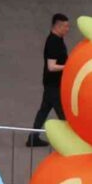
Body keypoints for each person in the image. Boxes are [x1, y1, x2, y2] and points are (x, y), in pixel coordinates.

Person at [31, 14, 71, 145]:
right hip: (54, 85)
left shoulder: (58, 39)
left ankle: (33, 138)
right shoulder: (53, 42)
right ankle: (70, 139)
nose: (67, 29)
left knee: (44, 110)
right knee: (63, 114)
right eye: (65, 26)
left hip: (52, 84)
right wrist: (69, 66)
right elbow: (51, 66)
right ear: (57, 26)